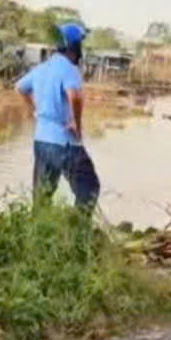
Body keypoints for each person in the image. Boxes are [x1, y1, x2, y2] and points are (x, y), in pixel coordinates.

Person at [16, 23, 100, 211]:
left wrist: (34, 110)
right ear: (75, 46)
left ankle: (39, 233)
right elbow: (75, 96)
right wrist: (75, 124)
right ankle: (78, 231)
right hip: (65, 143)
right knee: (89, 188)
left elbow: (20, 87)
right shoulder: (69, 69)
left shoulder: (43, 68)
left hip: (42, 140)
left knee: (42, 194)